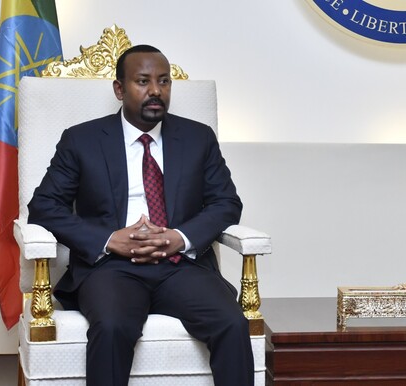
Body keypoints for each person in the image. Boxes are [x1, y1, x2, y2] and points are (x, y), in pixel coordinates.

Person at [28, 45, 253, 386]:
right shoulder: (82, 140)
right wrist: (108, 240)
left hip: (181, 265)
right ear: (119, 89)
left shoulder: (197, 138)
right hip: (110, 268)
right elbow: (44, 206)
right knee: (113, 326)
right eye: (143, 81)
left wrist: (180, 237)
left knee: (232, 324)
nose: (155, 91)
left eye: (164, 82)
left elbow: (226, 203)